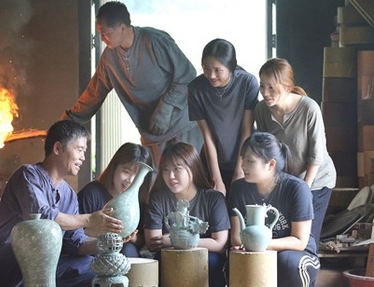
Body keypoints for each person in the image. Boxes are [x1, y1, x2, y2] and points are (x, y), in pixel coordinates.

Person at [0, 120, 123, 287]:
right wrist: (90, 219)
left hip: (42, 265)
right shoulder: (28, 175)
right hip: (1, 263)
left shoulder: (69, 195)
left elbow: (75, 242)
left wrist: (108, 242)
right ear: (57, 148)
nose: (83, 157)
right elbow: (41, 220)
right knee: (37, 240)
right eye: (80, 150)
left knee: (96, 268)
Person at [60, 1, 203, 167]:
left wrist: (166, 106)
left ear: (122, 28)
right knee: (155, 188)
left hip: (183, 127)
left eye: (105, 33)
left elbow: (188, 75)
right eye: (100, 33)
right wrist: (66, 123)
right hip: (152, 136)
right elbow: (93, 94)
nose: (102, 38)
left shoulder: (154, 41)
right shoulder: (109, 59)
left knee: (188, 180)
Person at [255, 58, 336, 247]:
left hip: (316, 180)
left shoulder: (309, 108)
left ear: (287, 86)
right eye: (262, 87)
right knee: (282, 235)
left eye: (271, 88)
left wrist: (303, 189)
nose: (265, 93)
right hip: (287, 181)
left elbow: (317, 155)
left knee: (306, 240)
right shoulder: (261, 110)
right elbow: (267, 151)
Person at [228, 132, 320, 287]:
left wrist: (258, 244)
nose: (243, 165)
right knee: (238, 260)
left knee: (287, 262)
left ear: (271, 164)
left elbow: (299, 241)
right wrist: (254, 247)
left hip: (299, 255)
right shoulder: (238, 189)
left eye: (250, 161)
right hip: (253, 250)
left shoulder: (297, 189)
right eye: (243, 158)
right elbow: (236, 238)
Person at [144, 142, 230, 287]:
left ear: (193, 168)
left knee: (213, 261)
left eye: (177, 169)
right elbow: (153, 243)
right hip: (169, 257)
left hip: (207, 258)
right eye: (166, 170)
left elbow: (220, 243)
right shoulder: (158, 199)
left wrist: (174, 241)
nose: (171, 176)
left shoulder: (214, 199)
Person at [188, 38, 259, 195]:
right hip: (213, 159)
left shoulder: (248, 83)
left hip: (245, 157)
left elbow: (246, 131)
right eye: (206, 68)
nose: (211, 75)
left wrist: (240, 170)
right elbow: (207, 136)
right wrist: (216, 179)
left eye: (218, 70)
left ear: (231, 67)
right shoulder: (195, 88)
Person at [78, 142, 153, 257]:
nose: (130, 180)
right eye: (126, 172)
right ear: (114, 168)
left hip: (124, 251)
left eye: (137, 176)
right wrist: (100, 231)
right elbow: (75, 235)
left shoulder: (141, 201)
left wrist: (132, 237)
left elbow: (142, 240)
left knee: (129, 249)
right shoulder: (91, 193)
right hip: (93, 250)